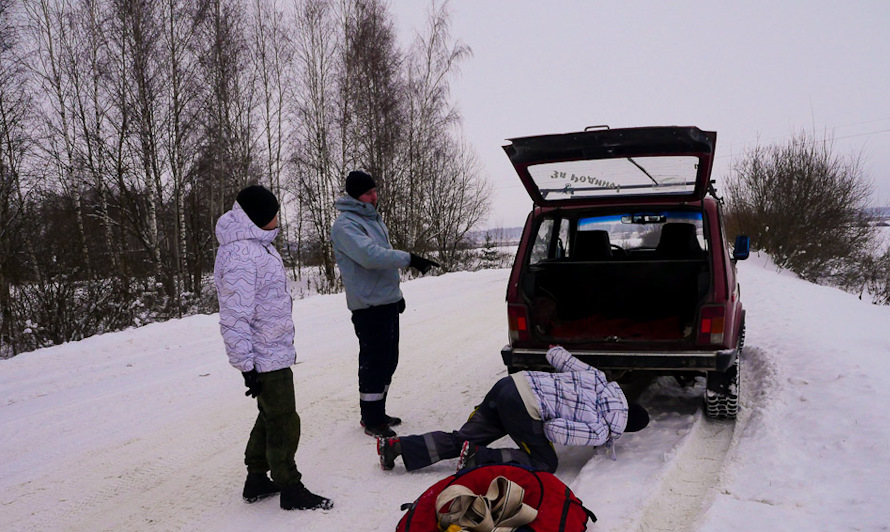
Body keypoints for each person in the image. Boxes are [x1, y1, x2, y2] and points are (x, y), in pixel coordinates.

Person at [214, 184, 333, 511]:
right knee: (283, 420)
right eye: (274, 213)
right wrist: (246, 364)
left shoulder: (257, 246)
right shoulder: (242, 255)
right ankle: (289, 486)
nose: (278, 218)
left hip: (272, 348)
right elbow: (234, 315)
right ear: (258, 216)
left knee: (270, 414)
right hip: (264, 354)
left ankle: (256, 478)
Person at [377, 345, 650, 473]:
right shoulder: (602, 430)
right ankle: (478, 458)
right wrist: (540, 427)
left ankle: (397, 447)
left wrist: (553, 353)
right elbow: (554, 430)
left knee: (464, 438)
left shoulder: (600, 379)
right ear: (625, 428)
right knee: (546, 463)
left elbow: (561, 358)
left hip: (511, 384)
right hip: (523, 406)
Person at [331, 170, 440, 438]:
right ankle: (371, 419)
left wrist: (395, 296)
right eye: (368, 193)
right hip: (368, 306)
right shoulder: (345, 225)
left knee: (389, 360)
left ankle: (378, 412)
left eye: (374, 191)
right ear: (355, 196)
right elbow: (371, 256)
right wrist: (409, 258)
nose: (374, 196)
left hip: (385, 301)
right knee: (374, 362)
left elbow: (382, 262)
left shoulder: (373, 220)